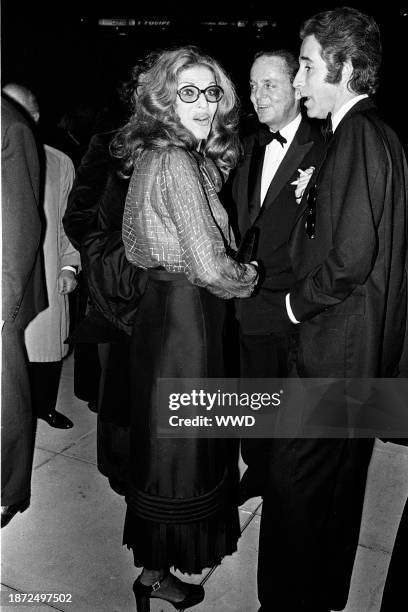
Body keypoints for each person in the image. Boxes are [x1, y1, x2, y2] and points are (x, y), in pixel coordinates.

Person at [259, 7, 408, 612]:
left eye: (308, 67)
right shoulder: (378, 136)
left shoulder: (357, 137)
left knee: (294, 489)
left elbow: (348, 260)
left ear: (345, 69)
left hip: (333, 355)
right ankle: (321, 594)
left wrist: (293, 306)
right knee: (337, 486)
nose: (297, 82)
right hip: (362, 354)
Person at [113, 46, 258, 610]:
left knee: (167, 439)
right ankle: (154, 574)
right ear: (165, 98)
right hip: (187, 317)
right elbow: (208, 264)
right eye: (188, 91)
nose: (203, 103)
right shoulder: (174, 160)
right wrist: (249, 276)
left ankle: (153, 567)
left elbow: (142, 241)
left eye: (212, 91)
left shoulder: (162, 154)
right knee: (183, 445)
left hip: (164, 312)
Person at [231, 49, 325, 504]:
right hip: (247, 301)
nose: (257, 95)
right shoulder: (248, 144)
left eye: (269, 85)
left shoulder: (325, 147)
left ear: (296, 87)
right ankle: (257, 470)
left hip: (292, 304)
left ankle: (284, 476)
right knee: (253, 392)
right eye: (252, 85)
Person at [63, 57, 154, 494]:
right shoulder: (108, 144)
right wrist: (119, 268)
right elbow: (78, 217)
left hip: (180, 300)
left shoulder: (198, 144)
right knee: (122, 398)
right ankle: (126, 475)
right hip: (119, 296)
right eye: (145, 88)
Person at [3, 83, 80, 429]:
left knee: (46, 346)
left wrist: (69, 265)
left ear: (34, 116)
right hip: (7, 273)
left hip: (47, 268)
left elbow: (70, 220)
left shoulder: (59, 161)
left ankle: (45, 407)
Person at [1, 95, 47, 527]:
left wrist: (4, 300)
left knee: (5, 391)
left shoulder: (9, 125)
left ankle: (7, 490)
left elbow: (22, 224)